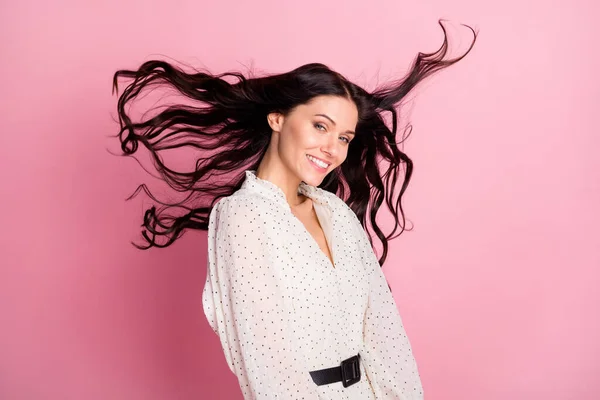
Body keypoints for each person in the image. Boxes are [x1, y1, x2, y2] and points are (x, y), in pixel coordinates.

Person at [112, 21, 476, 399]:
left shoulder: (336, 212)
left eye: (344, 138)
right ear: (278, 118)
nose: (332, 149)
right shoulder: (243, 217)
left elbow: (383, 330)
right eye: (321, 126)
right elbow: (267, 362)